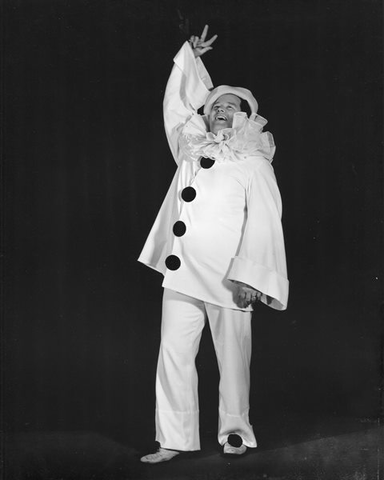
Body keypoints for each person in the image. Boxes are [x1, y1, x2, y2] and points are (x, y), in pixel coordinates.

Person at [138, 25, 289, 463]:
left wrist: (250, 276)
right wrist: (190, 56)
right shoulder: (190, 149)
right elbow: (177, 106)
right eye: (216, 105)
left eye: (231, 106)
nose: (222, 110)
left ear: (245, 117)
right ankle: (173, 439)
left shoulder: (254, 163)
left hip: (229, 277)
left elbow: (264, 224)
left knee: (232, 359)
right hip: (183, 269)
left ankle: (235, 433)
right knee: (174, 353)